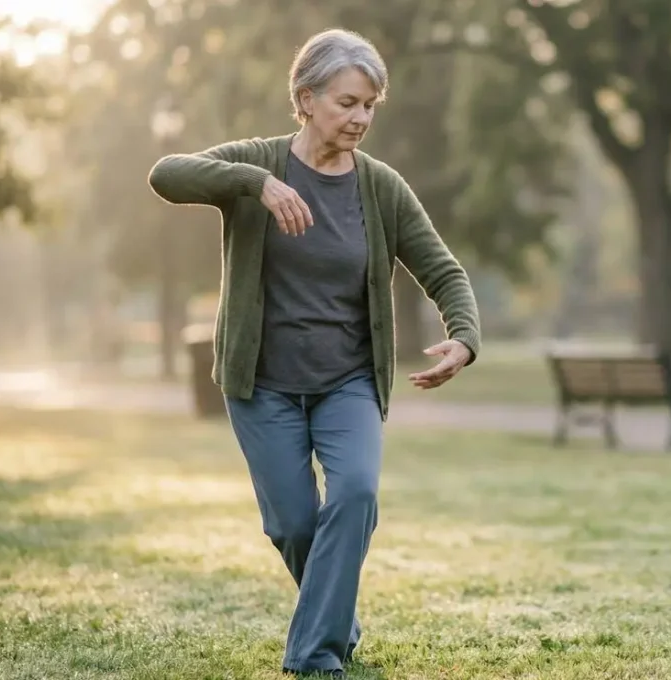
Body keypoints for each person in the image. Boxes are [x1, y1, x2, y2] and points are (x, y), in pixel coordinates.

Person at [146, 28, 481, 677]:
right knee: (296, 525)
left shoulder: (380, 187)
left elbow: (445, 271)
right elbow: (166, 175)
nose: (360, 118)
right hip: (262, 383)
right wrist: (255, 185)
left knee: (354, 493)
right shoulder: (258, 161)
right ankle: (338, 619)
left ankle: (315, 655)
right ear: (305, 98)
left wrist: (463, 338)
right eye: (348, 102)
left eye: (370, 106)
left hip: (347, 381)